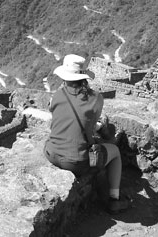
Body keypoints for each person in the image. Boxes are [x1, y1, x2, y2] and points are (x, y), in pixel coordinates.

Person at [43, 54, 130, 214]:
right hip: (75, 162)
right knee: (115, 152)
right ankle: (114, 198)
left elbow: (59, 114)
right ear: (84, 77)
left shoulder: (57, 95)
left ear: (65, 77)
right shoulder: (96, 99)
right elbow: (90, 123)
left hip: (50, 153)